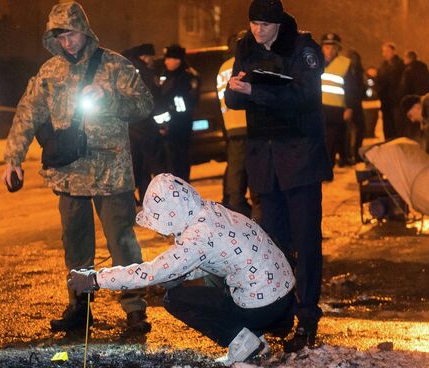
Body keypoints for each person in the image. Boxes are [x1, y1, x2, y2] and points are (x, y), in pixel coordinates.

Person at [2, 1, 154, 335]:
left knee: (121, 242)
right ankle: (80, 306)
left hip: (111, 173)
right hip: (70, 174)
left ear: (84, 30)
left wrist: (110, 96)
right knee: (76, 244)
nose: (68, 42)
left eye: (71, 34)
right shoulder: (49, 72)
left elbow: (144, 104)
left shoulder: (115, 65)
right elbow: (28, 113)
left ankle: (134, 308)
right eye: (60, 36)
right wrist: (12, 158)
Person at [68, 173, 296, 366]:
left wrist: (96, 279)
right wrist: (183, 272)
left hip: (263, 306)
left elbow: (149, 272)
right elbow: (214, 259)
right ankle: (254, 337)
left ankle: (243, 341)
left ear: (169, 214)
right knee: (207, 281)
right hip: (283, 295)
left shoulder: (198, 236)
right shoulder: (210, 211)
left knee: (175, 299)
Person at [224, 0, 333, 352]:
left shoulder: (303, 49)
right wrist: (237, 91)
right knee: (272, 242)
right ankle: (279, 313)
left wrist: (257, 91)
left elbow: (304, 98)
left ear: (279, 24)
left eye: (265, 25)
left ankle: (307, 317)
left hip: (299, 157)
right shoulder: (245, 47)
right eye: (254, 23)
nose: (258, 31)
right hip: (263, 159)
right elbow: (233, 98)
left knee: (306, 240)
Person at [217, 31, 260, 221]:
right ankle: (258, 213)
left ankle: (236, 210)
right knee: (257, 174)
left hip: (232, 126)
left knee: (236, 172)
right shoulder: (249, 64)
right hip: (252, 124)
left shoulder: (223, 68)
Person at [154, 44, 200, 182]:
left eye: (169, 59)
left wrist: (167, 121)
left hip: (179, 129)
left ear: (178, 60)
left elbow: (182, 106)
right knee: (168, 165)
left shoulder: (185, 77)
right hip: (167, 130)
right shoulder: (167, 75)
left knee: (179, 164)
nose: (166, 62)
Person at [122, 43, 161, 205]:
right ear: (145, 56)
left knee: (129, 165)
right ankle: (146, 198)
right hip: (143, 125)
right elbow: (153, 96)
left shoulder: (120, 69)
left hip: (124, 126)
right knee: (144, 165)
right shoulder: (144, 71)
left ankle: (129, 199)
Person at [319, 33, 360, 168]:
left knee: (330, 141)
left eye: (332, 48)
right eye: (326, 47)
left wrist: (349, 108)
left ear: (338, 49)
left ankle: (326, 169)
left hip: (336, 109)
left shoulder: (345, 64)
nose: (329, 51)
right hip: (317, 108)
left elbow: (351, 89)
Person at [399, 50, 429, 140]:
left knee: (413, 126)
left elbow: (404, 88)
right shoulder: (424, 68)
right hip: (425, 101)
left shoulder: (408, 70)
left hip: (413, 103)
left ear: (408, 59)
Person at [376, 42, 404, 139]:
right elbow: (378, 81)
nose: (385, 54)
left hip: (396, 102)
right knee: (387, 127)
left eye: (387, 51)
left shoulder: (400, 65)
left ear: (393, 51)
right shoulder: (382, 66)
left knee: (397, 127)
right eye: (383, 51)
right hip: (385, 102)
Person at [346, 49, 367, 163]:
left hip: (356, 104)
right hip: (348, 104)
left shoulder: (359, 73)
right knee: (347, 132)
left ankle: (355, 154)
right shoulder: (346, 71)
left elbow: (362, 89)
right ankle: (349, 155)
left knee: (360, 129)